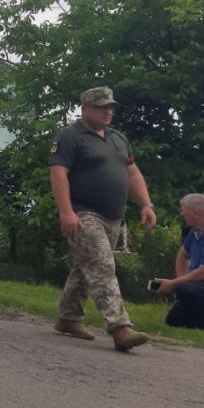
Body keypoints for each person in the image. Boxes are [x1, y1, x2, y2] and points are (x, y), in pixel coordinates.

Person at [48, 86, 155, 351]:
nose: (108, 112)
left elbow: (133, 173)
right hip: (83, 213)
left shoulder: (118, 138)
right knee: (103, 265)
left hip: (113, 216)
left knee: (86, 268)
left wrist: (146, 204)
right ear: (85, 108)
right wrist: (66, 212)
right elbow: (58, 174)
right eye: (101, 107)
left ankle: (68, 318)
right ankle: (120, 328)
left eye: (110, 107)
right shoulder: (69, 137)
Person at [156, 194, 204, 331]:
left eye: (183, 210)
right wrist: (181, 279)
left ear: (195, 212)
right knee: (173, 320)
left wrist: (174, 284)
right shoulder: (195, 232)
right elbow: (182, 255)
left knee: (184, 289)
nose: (181, 214)